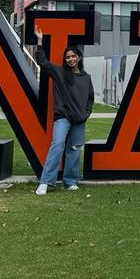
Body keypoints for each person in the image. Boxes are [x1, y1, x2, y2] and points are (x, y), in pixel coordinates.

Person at [35, 30, 95, 195]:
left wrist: (87, 112)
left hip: (79, 120)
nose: (70, 59)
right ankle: (45, 182)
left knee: (74, 149)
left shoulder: (86, 77)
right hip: (62, 118)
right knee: (57, 145)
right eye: (68, 57)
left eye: (73, 56)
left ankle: (70, 181)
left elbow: (90, 97)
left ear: (79, 58)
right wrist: (40, 41)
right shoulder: (59, 72)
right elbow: (42, 61)